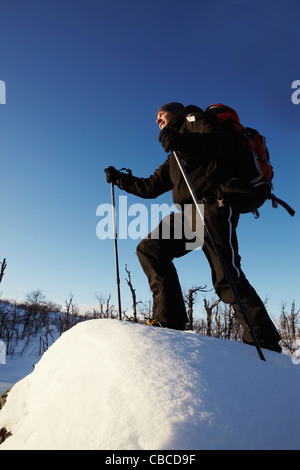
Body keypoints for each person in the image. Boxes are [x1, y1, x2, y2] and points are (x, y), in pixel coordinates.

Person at [105, 102, 282, 352]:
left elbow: (220, 145)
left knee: (226, 277)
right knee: (150, 249)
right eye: (155, 118)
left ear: (175, 112)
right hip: (189, 214)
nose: (157, 120)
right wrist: (119, 178)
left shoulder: (194, 118)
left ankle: (264, 341)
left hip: (213, 205)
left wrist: (181, 141)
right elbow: (150, 187)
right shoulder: (174, 154)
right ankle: (170, 320)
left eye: (161, 115)